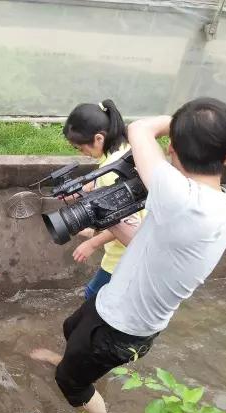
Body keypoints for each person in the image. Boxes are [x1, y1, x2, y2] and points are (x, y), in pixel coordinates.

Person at [32, 97, 226, 413]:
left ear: (171, 146)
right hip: (115, 303)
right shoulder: (217, 206)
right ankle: (74, 363)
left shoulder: (178, 196)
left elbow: (139, 129)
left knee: (68, 382)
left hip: (123, 328)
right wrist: (104, 216)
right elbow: (143, 242)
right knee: (72, 328)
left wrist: (179, 122)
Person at [61, 99, 144, 300]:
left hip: (122, 257)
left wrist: (92, 243)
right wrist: (80, 189)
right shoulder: (124, 153)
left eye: (81, 148)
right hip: (135, 253)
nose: (84, 154)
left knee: (93, 296)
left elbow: (129, 222)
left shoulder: (109, 171)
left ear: (99, 138)